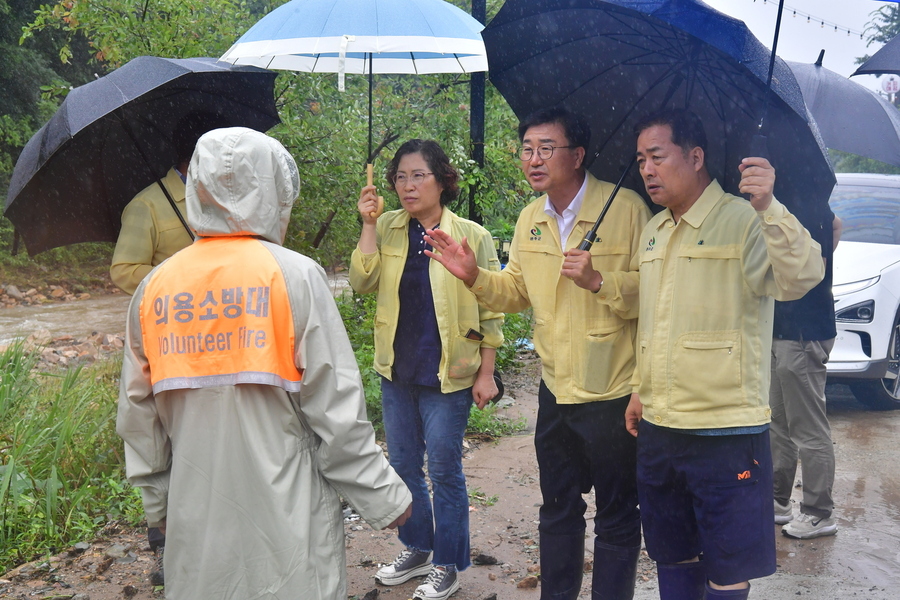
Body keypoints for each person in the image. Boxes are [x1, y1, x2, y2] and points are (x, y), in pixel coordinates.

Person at [117, 127, 412, 600]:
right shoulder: (294, 276)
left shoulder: (154, 288)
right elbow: (334, 406)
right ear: (273, 189)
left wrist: (159, 504)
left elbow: (139, 417)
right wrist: (382, 495)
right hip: (288, 510)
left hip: (198, 510)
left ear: (196, 187)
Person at [425, 107, 651, 600]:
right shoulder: (532, 218)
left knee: (617, 513)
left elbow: (654, 295)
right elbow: (517, 291)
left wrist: (599, 280)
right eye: (527, 148)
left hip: (612, 389)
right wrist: (474, 276)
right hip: (556, 389)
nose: (533, 159)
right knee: (558, 507)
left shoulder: (627, 210)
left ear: (578, 155)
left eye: (546, 148)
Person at [624, 109, 825, 600]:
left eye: (656, 156)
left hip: (724, 428)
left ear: (696, 157)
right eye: (640, 159)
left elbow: (802, 276)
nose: (646, 169)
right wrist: (638, 389)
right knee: (673, 554)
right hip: (660, 425)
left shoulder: (745, 218)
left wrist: (770, 207)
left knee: (726, 563)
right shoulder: (655, 231)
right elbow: (653, 321)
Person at [349, 139, 503, 600]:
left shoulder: (471, 234)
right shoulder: (390, 226)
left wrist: (486, 372)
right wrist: (368, 225)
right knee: (402, 466)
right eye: (400, 176)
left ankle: (448, 563)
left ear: (441, 180)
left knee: (444, 468)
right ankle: (417, 546)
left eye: (419, 175)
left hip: (450, 374)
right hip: (397, 371)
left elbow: (492, 309)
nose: (407, 185)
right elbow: (361, 281)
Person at [770, 206, 842, 539]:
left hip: (803, 331)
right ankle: (777, 501)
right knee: (778, 422)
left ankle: (818, 512)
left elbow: (831, 232)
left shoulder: (810, 209)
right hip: (781, 329)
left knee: (807, 426)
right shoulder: (784, 206)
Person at [110, 112, 228, 295]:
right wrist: (183, 276)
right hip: (180, 313)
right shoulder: (146, 205)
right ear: (204, 154)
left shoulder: (229, 194)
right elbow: (124, 272)